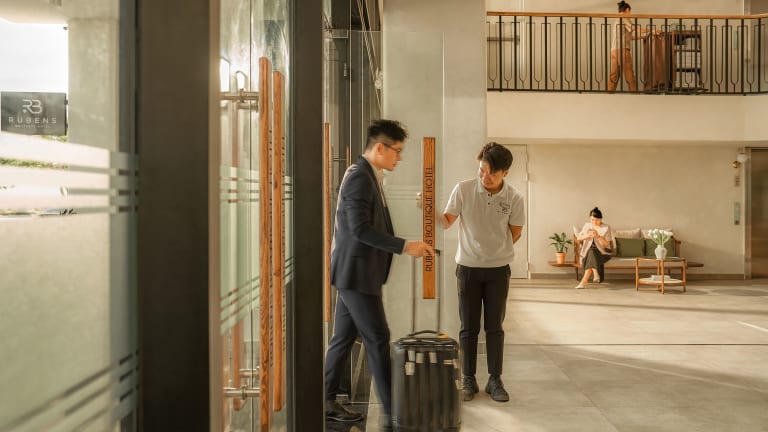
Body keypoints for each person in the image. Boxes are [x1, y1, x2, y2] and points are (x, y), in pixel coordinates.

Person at [324, 119, 434, 428]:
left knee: (343, 339)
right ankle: (395, 414)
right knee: (378, 338)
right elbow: (359, 230)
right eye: (397, 151)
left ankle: (326, 401)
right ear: (380, 148)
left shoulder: (369, 175)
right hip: (356, 275)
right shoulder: (360, 177)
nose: (399, 157)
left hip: (356, 273)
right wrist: (404, 246)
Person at [441, 142, 525, 403]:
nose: (485, 177)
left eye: (492, 173)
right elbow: (446, 221)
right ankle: (468, 378)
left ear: (505, 173)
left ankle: (494, 379)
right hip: (467, 268)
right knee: (468, 327)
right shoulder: (463, 189)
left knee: (494, 327)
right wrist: (428, 206)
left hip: (498, 270)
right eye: (481, 170)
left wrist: (494, 250)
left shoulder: (514, 198)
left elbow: (515, 233)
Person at [608, 1, 658, 92]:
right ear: (627, 10)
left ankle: (608, 94)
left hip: (614, 50)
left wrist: (649, 34)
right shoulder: (624, 17)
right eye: (630, 12)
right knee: (629, 73)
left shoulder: (617, 20)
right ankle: (635, 94)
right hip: (622, 50)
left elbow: (632, 36)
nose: (630, 14)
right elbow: (635, 29)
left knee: (614, 75)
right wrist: (652, 29)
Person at [575, 207, 614, 289]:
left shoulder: (606, 227)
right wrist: (587, 235)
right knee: (591, 252)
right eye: (592, 220)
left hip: (602, 252)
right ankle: (595, 273)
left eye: (596, 220)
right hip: (588, 251)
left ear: (601, 219)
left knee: (592, 252)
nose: (594, 222)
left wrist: (598, 236)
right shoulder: (587, 226)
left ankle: (584, 281)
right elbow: (578, 238)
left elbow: (607, 244)